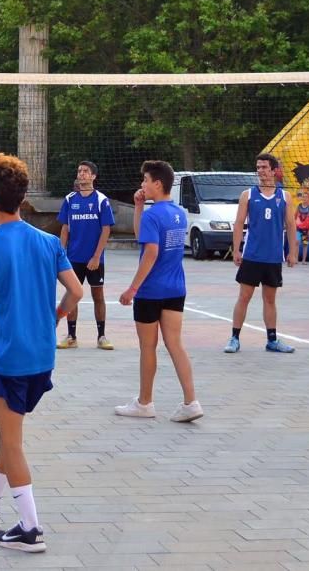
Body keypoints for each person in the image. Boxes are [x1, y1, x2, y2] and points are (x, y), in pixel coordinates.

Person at [0, 153, 82, 553]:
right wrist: (54, 318)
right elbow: (76, 292)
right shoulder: (48, 242)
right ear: (24, 197)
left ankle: (30, 527)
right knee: (9, 432)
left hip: (8, 358)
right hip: (42, 356)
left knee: (12, 442)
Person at [116, 160, 202, 423]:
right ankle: (191, 401)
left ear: (158, 183)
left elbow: (150, 251)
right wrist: (139, 206)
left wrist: (133, 288)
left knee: (148, 346)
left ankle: (145, 403)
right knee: (175, 344)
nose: (142, 184)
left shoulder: (155, 215)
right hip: (176, 288)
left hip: (151, 290)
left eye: (145, 180)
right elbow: (143, 234)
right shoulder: (178, 213)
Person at [224, 153, 298, 353]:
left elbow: (291, 225)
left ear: (274, 170)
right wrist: (236, 249)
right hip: (252, 256)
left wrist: (293, 252)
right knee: (244, 297)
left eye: (264, 167)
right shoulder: (248, 195)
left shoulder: (285, 196)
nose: (261, 171)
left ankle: (272, 340)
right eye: (258, 167)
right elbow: (239, 223)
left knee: (270, 299)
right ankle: (234, 338)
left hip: (273, 257)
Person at [57, 161, 117, 350]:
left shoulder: (101, 200)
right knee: (72, 295)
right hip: (73, 258)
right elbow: (65, 229)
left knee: (98, 295)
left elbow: (106, 230)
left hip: (94, 259)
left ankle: (101, 336)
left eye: (85, 171)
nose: (81, 174)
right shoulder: (69, 200)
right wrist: (60, 254)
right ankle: (71, 336)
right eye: (79, 171)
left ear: (93, 176)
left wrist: (96, 256)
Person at [295, 189, 309, 264]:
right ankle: (296, 259)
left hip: (306, 229)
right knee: (297, 242)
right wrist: (293, 226)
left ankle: (304, 260)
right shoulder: (299, 206)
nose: (304, 198)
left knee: (305, 244)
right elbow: (294, 216)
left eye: (306, 197)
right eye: (303, 197)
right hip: (298, 228)